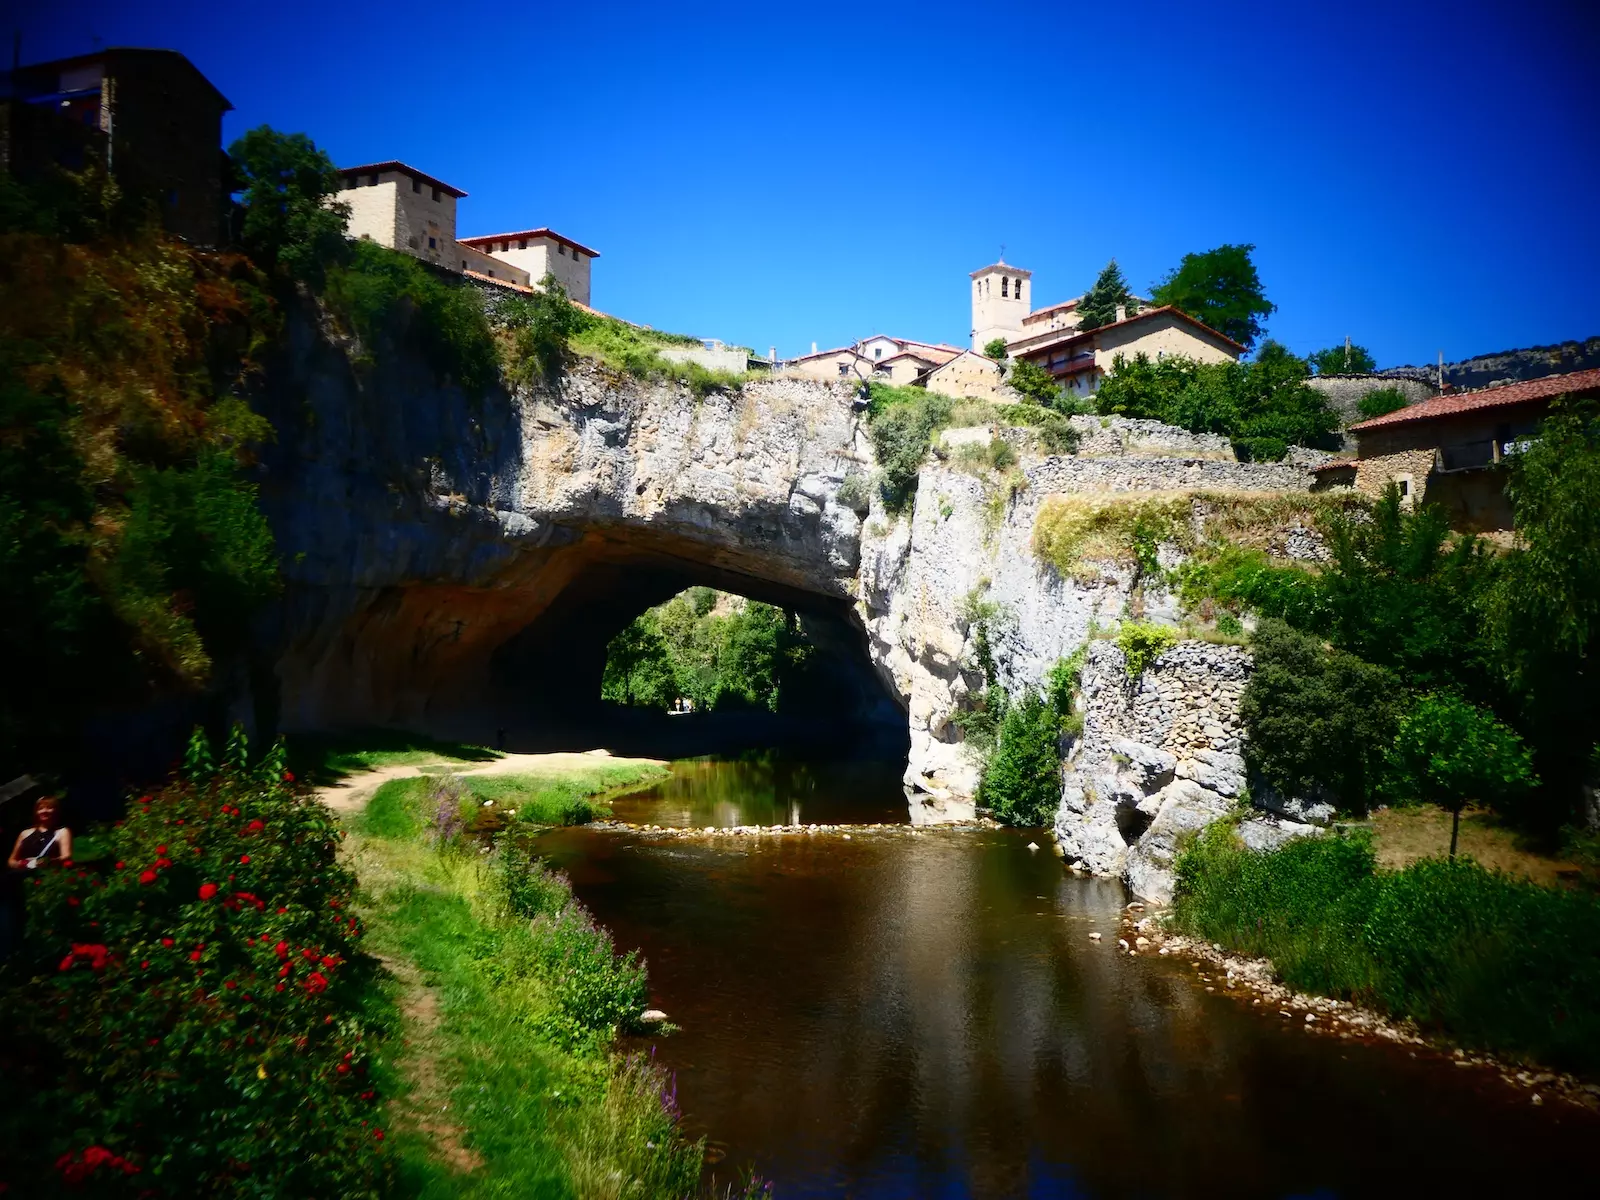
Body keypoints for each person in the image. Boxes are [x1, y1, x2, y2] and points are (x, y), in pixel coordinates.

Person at [7, 795, 72, 871]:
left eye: (49, 807)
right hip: (24, 876)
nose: (44, 811)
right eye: (40, 808)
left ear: (56, 810)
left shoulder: (62, 832)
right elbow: (11, 860)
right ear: (36, 812)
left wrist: (44, 862)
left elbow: (66, 856)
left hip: (48, 876)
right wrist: (20, 864)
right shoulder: (24, 834)